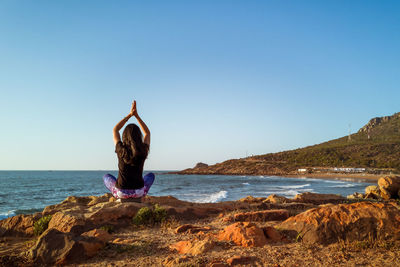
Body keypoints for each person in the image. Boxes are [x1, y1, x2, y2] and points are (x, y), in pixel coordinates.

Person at [103, 100, 155, 200]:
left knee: (106, 176)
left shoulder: (120, 149)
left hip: (121, 193)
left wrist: (130, 115)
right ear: (138, 136)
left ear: (124, 136)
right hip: (138, 192)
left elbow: (115, 130)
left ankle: (120, 196)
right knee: (151, 175)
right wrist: (136, 116)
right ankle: (137, 196)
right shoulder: (143, 149)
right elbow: (147, 133)